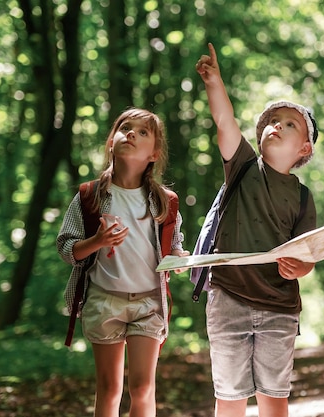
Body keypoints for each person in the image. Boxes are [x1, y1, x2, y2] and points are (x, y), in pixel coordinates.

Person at [195, 42, 318, 417]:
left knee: (274, 396)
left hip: (280, 307)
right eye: (271, 121)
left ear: (304, 150)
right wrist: (215, 82)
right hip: (229, 296)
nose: (276, 125)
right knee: (230, 397)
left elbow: (307, 254)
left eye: (289, 123)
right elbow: (224, 121)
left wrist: (302, 267)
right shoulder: (243, 165)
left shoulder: (302, 196)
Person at [56, 108, 189, 417]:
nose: (131, 134)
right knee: (109, 388)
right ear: (111, 142)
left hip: (149, 304)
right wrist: (97, 242)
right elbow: (66, 249)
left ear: (154, 153)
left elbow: (174, 250)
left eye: (143, 132)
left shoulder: (165, 202)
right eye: (125, 128)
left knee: (143, 388)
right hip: (104, 301)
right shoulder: (90, 197)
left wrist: (178, 260)